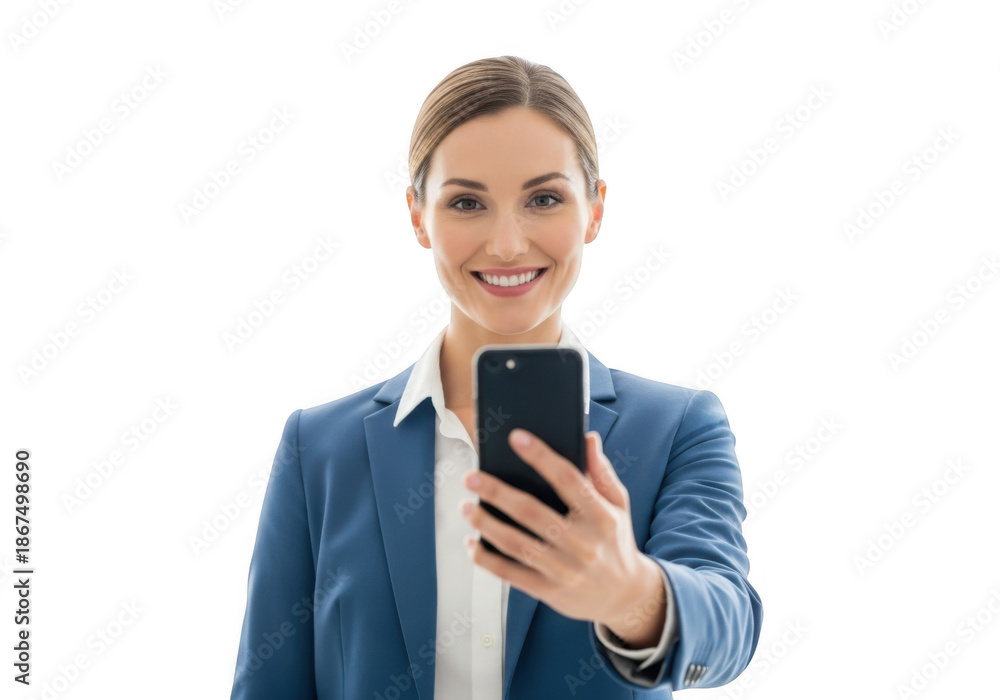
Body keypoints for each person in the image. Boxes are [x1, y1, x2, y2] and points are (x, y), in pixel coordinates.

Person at [230, 55, 762, 700]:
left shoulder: (677, 428)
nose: (507, 244)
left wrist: (632, 594)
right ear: (417, 215)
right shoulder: (319, 449)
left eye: (544, 199)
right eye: (466, 202)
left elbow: (729, 631)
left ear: (595, 209)